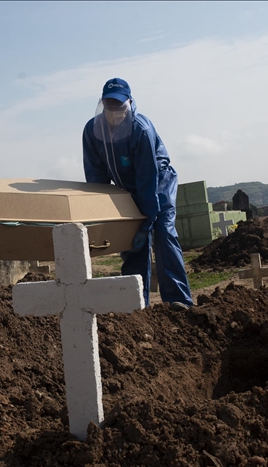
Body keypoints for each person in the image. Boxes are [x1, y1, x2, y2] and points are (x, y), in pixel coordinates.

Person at [82, 78, 193, 311]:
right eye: (109, 106)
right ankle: (134, 303)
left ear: (130, 103)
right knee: (133, 244)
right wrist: (106, 214)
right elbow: (97, 178)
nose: (114, 112)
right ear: (102, 105)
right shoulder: (92, 131)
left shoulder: (140, 129)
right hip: (125, 189)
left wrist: (147, 222)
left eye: (120, 106)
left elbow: (147, 178)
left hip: (158, 183)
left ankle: (178, 299)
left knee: (163, 233)